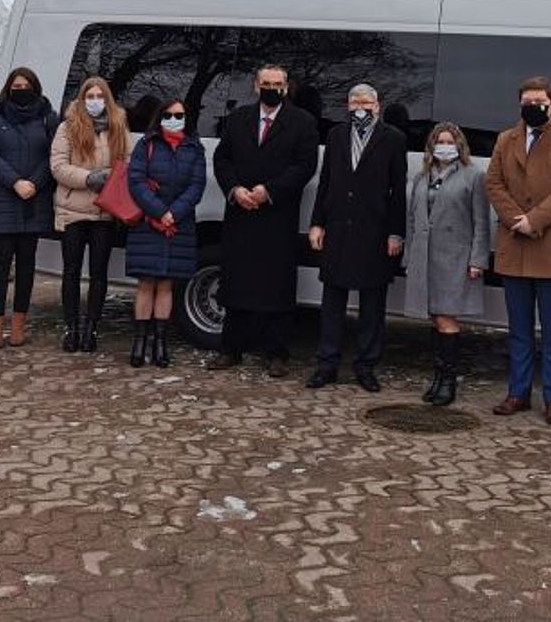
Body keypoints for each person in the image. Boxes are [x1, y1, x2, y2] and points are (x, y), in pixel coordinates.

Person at [483, 76, 551, 426]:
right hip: (514, 246)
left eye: (539, 100)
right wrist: (517, 219)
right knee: (519, 329)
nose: (533, 105)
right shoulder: (505, 139)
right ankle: (518, 393)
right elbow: (493, 184)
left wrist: (535, 220)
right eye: (527, 100)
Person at [210, 64, 319, 377]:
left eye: (279, 83)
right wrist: (234, 189)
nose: (272, 88)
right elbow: (222, 158)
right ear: (256, 86)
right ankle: (230, 348)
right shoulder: (238, 119)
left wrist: (268, 191)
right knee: (237, 281)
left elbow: (304, 165)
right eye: (266, 83)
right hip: (240, 213)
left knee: (276, 286)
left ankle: (276, 353)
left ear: (287, 87)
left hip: (277, 215)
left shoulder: (302, 122)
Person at [306, 83, 408, 393]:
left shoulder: (393, 138)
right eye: (354, 102)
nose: (360, 107)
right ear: (347, 106)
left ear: (377, 105)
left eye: (366, 102)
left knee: (372, 306)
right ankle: (327, 364)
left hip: (374, 231)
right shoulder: (337, 135)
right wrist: (317, 223)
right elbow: (325, 182)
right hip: (337, 227)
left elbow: (397, 191)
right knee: (332, 302)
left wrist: (395, 232)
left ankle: (366, 366)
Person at [403, 122, 490, 406]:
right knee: (433, 316)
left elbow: (481, 222)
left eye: (450, 142)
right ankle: (437, 379)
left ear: (460, 145)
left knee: (446, 317)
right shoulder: (421, 176)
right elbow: (412, 220)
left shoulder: (473, 176)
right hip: (424, 256)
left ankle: (448, 382)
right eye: (439, 141)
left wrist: (478, 259)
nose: (444, 146)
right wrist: (409, 256)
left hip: (454, 258)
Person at [0, 67, 59, 350]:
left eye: (26, 85)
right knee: (0, 265)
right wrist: (14, 181)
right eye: (16, 85)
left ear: (35, 88)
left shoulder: (48, 117)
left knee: (27, 265)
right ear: (8, 88)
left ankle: (18, 325)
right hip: (4, 197)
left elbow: (54, 155)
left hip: (34, 200)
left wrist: (34, 183)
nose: (21, 89)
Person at [50, 77, 130, 354]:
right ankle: (71, 327)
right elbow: (58, 167)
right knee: (71, 272)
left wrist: (112, 177)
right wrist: (90, 178)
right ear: (82, 99)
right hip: (73, 209)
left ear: (107, 99)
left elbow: (127, 163)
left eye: (99, 96)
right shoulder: (68, 126)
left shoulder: (119, 126)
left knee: (99, 273)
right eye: (89, 96)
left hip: (104, 211)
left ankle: (91, 328)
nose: (95, 101)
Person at [126, 97, 208, 367]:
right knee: (146, 282)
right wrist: (159, 211)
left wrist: (175, 213)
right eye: (169, 115)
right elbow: (135, 181)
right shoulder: (146, 144)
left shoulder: (194, 148)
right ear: (160, 117)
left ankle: (160, 343)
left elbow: (197, 185)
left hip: (179, 224)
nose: (175, 120)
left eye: (180, 115)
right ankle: (139, 342)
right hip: (149, 222)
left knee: (166, 285)